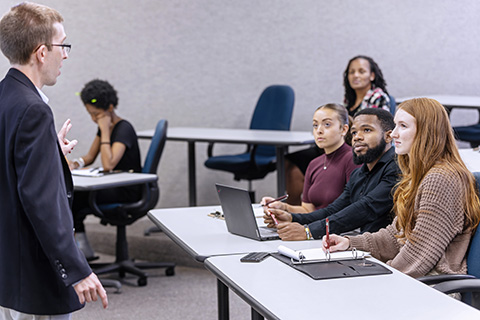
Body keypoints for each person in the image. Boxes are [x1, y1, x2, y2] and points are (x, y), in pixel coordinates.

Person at [0, 2, 107, 318]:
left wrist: (51, 153)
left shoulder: (5, 96)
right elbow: (42, 201)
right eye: (63, 45)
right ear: (41, 52)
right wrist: (77, 268)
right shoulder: (34, 110)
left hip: (7, 269)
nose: (66, 55)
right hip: (35, 274)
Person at [324, 98, 480, 279]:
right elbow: (396, 236)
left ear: (426, 132)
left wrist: (382, 275)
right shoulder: (422, 175)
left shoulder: (441, 178)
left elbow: (421, 253)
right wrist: (350, 243)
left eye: (403, 126)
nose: (393, 134)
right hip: (416, 279)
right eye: (395, 125)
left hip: (434, 286)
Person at [264, 108, 399, 240]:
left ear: (388, 136)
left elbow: (366, 208)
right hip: (361, 245)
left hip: (386, 253)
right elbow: (332, 210)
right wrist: (292, 218)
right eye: (354, 133)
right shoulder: (359, 173)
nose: (357, 137)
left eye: (367, 130)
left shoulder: (397, 167)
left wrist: (309, 231)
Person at [285, 55, 391, 205]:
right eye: (352, 72)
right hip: (341, 141)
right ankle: (294, 206)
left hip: (358, 147)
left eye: (361, 71)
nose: (355, 75)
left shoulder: (377, 97)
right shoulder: (349, 100)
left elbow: (375, 131)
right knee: (291, 160)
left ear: (372, 75)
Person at [69, 79, 142, 259]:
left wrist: (105, 130)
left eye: (97, 115)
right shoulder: (104, 130)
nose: (94, 119)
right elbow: (90, 157)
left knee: (75, 198)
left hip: (127, 191)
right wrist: (75, 163)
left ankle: (81, 252)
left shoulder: (124, 128)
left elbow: (109, 163)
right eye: (90, 114)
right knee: (71, 195)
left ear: (110, 108)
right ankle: (82, 250)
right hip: (112, 186)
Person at [261, 103, 360, 213]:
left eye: (327, 124)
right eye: (315, 125)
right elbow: (308, 210)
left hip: (337, 229)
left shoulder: (352, 159)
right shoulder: (314, 164)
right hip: (316, 226)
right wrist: (283, 208)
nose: (319, 130)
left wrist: (309, 228)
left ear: (344, 129)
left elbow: (353, 211)